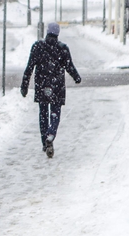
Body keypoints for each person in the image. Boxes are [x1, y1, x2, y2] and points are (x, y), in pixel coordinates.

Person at [20, 22, 81, 158]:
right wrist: (76, 77)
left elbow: (29, 66)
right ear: (58, 33)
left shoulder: (37, 46)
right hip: (57, 85)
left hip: (42, 84)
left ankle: (44, 142)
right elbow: (69, 66)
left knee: (43, 113)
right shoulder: (63, 48)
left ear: (47, 32)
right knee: (55, 112)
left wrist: (24, 85)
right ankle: (51, 134)